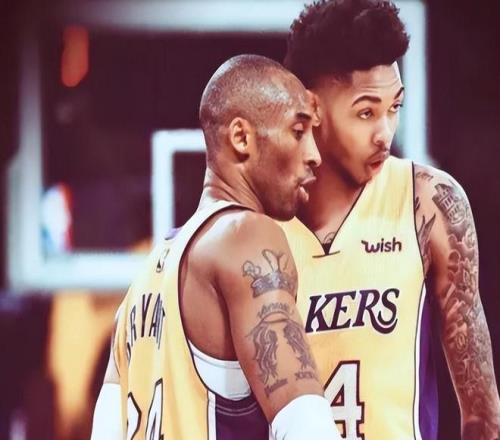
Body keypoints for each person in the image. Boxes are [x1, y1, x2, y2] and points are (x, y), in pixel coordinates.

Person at [91, 54, 342, 440]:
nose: (314, 155)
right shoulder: (247, 237)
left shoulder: (140, 285)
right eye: (297, 131)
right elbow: (305, 425)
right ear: (241, 138)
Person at [281, 1, 500, 439]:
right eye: (366, 112)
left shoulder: (428, 202)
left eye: (394, 107)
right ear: (312, 109)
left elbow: (482, 414)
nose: (385, 132)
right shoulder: (257, 225)